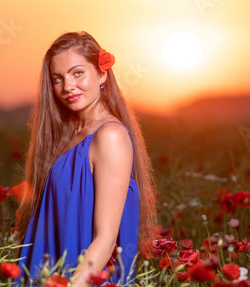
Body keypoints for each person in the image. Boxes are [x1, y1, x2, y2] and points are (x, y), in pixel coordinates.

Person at [14, 31, 157, 287]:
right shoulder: (68, 134)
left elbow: (105, 239)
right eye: (58, 78)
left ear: (102, 74)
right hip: (50, 273)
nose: (67, 86)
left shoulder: (110, 136)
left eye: (77, 73)